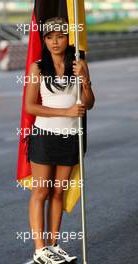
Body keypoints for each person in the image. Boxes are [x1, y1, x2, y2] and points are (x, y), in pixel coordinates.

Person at [25, 17, 95, 264]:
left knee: (58, 192)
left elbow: (89, 103)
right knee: (41, 190)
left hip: (70, 138)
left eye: (60, 36)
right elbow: (30, 106)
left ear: (68, 38)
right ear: (44, 40)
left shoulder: (78, 63)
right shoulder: (37, 67)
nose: (55, 42)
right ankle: (39, 249)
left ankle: (53, 245)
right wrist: (65, 112)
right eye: (50, 37)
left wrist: (84, 79)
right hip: (44, 137)